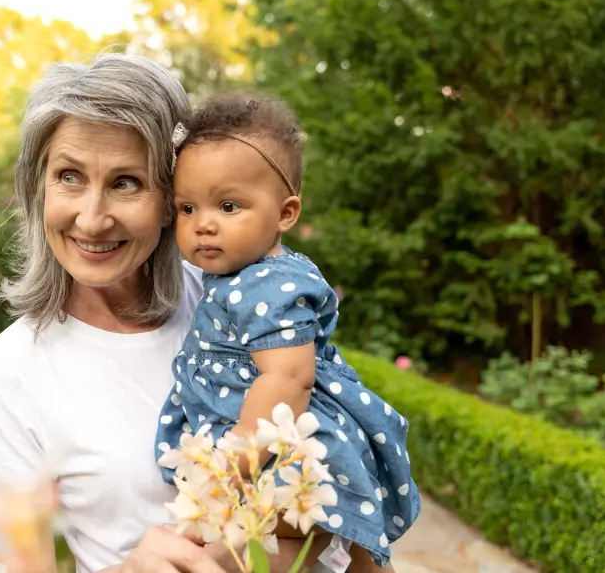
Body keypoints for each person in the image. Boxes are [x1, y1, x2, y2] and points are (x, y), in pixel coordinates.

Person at [0, 53, 317, 573]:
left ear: (172, 198)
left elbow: (330, 473)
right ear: (39, 187)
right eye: (69, 176)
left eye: (126, 182)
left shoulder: (239, 303)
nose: (92, 218)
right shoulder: (9, 372)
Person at [154, 91, 421, 572]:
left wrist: (233, 466)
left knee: (293, 538)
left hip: (275, 432)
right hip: (262, 425)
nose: (203, 225)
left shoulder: (272, 284)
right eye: (187, 208)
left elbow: (286, 379)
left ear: (286, 213)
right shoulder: (236, 275)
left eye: (229, 206)